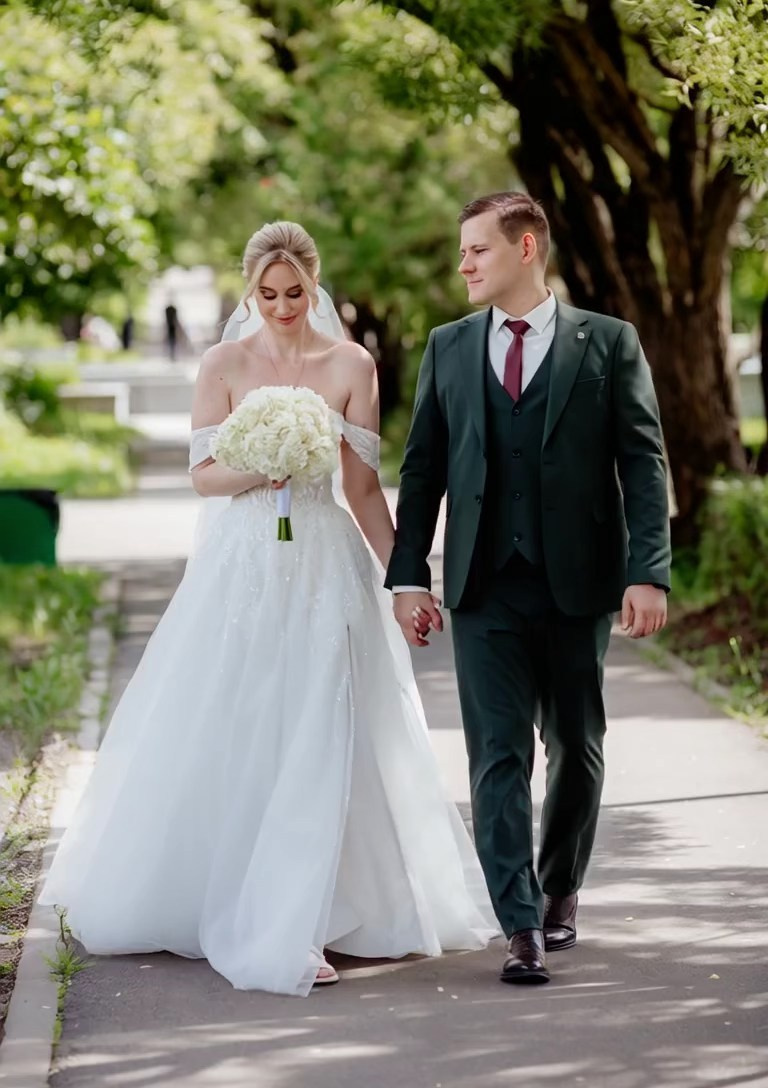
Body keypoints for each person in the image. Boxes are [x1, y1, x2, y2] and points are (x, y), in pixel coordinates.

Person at [40, 221, 497, 996]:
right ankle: (250, 905)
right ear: (250, 291)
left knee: (328, 728)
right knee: (246, 722)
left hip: (325, 565)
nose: (283, 306)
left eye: (296, 292)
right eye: (268, 293)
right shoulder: (222, 363)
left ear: (313, 286)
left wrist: (405, 578)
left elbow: (359, 488)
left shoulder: (352, 363)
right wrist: (265, 463)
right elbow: (204, 475)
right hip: (244, 569)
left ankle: (315, 914)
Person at [386, 192, 671, 985]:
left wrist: (647, 570)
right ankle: (518, 924)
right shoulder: (447, 347)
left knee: (576, 750)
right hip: (484, 586)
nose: (463, 264)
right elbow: (423, 470)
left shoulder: (609, 343)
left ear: (525, 248)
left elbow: (642, 463)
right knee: (495, 757)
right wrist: (409, 577)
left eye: (476, 249)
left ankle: (560, 888)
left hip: (579, 584)